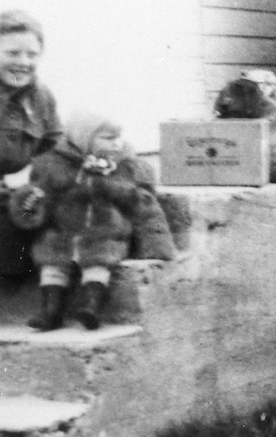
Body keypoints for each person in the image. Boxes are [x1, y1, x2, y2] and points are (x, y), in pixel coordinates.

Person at [9, 113, 177, 330]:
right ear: (84, 138)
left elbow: (143, 205)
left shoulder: (124, 167)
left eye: (118, 137)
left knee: (98, 263)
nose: (116, 143)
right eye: (107, 138)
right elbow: (41, 196)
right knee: (51, 261)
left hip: (105, 232)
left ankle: (91, 307)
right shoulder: (53, 165)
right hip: (63, 231)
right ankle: (51, 311)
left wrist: (156, 243)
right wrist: (30, 204)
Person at [0, 9, 61, 280]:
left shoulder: (41, 96)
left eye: (32, 54)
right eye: (12, 53)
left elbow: (56, 147)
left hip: (24, 196)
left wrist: (35, 177)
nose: (23, 62)